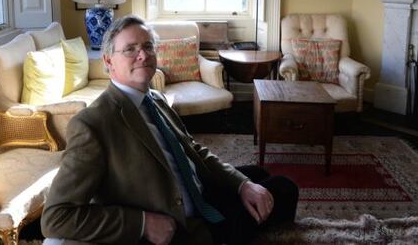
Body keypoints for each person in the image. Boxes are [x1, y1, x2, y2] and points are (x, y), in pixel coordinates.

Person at [41, 15, 298, 245]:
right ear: (109, 61)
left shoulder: (155, 98)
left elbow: (193, 150)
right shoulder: (92, 124)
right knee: (284, 189)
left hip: (198, 191)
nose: (143, 55)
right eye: (130, 49)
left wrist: (242, 185)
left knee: (258, 177)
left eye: (148, 46)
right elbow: (55, 217)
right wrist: (142, 224)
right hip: (183, 224)